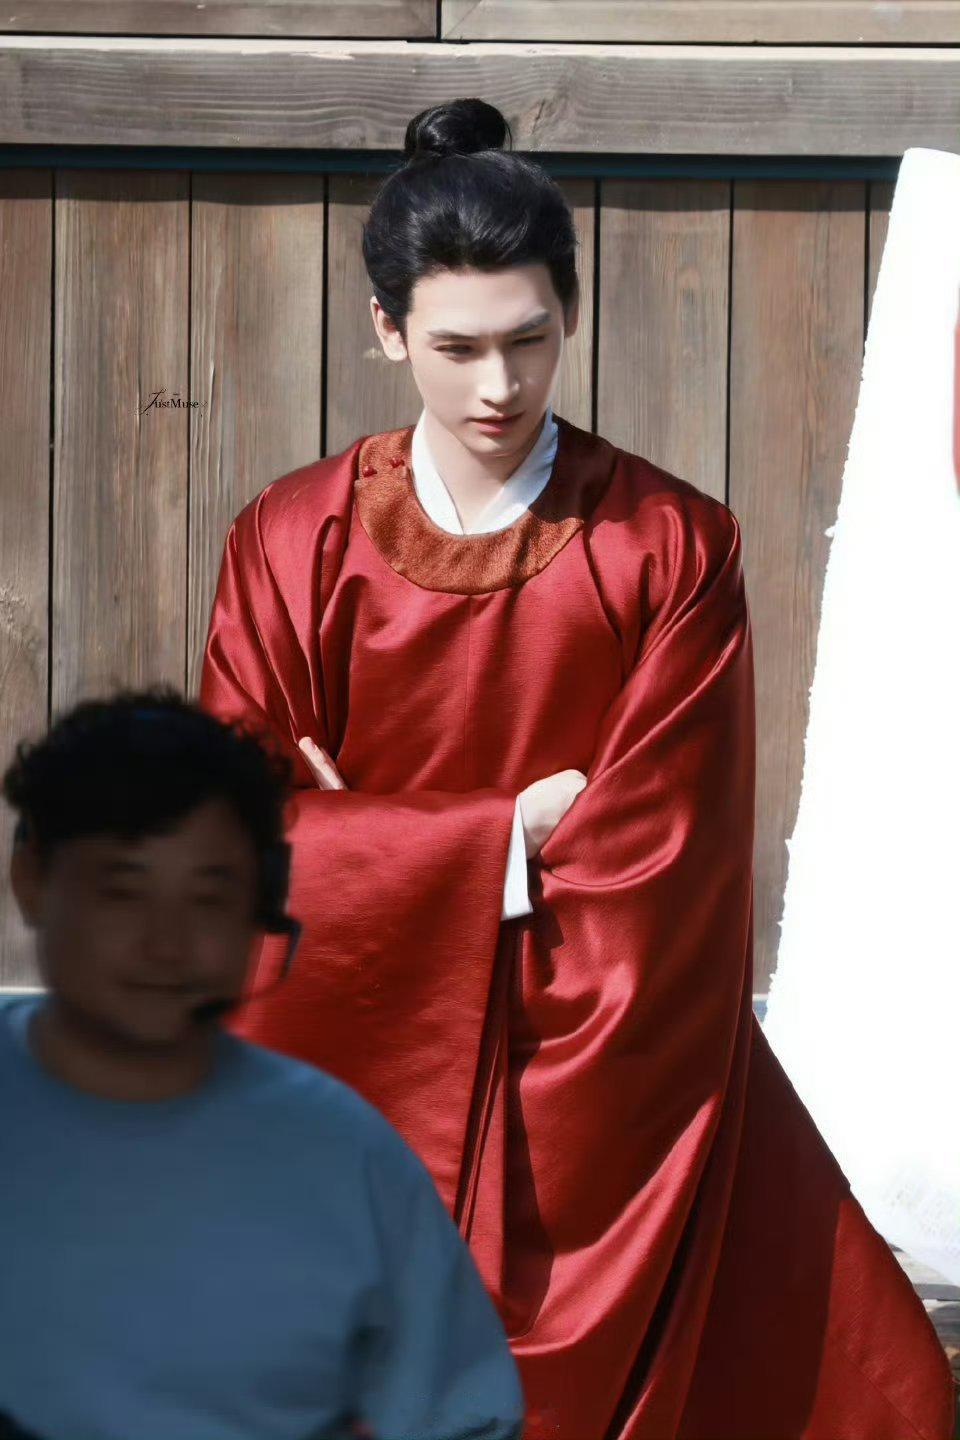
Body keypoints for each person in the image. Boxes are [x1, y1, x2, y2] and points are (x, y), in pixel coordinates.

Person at [199, 98, 957, 1439]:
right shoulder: (293, 540)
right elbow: (234, 834)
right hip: (355, 1040)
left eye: (530, 339)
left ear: (571, 315)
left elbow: (664, 865)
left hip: (598, 1056)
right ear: (388, 331)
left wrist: (364, 835)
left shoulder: (670, 548)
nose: (497, 388)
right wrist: (500, 836)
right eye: (456, 348)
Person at [0, 688, 525, 1440]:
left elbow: (464, 1411)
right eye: (121, 889)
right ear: (33, 882)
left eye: (209, 897)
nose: (165, 944)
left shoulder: (345, 1155)